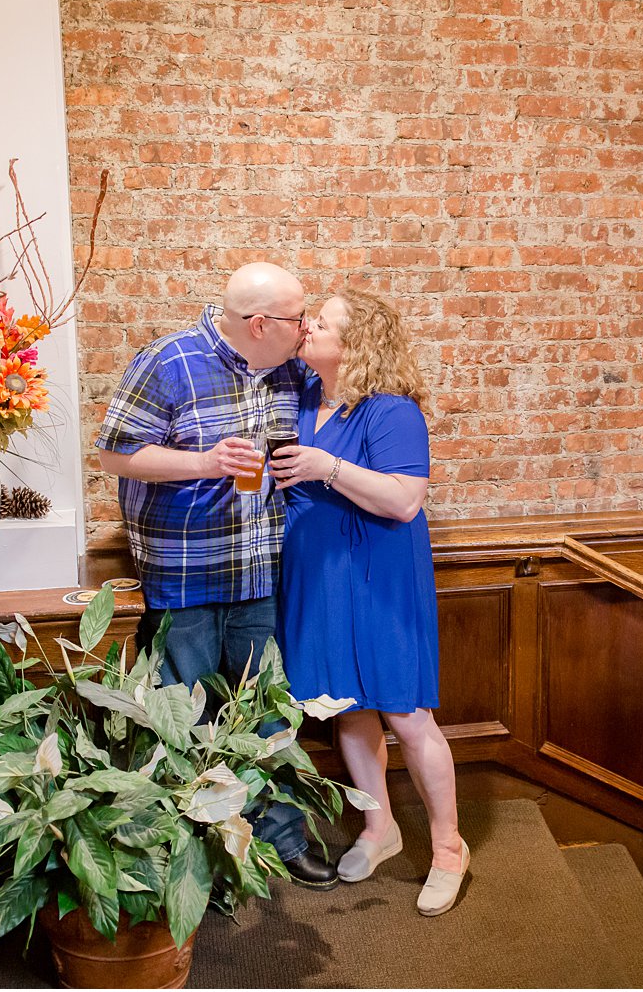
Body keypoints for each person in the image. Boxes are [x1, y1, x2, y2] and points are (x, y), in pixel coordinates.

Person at [93, 261, 339, 890]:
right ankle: (193, 854)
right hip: (184, 573)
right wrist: (203, 461)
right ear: (260, 324)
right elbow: (115, 452)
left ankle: (283, 839)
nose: (306, 326)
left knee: (269, 715)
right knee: (188, 716)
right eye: (296, 316)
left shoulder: (290, 371)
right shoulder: (169, 361)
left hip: (260, 569)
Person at [271, 288, 468, 917]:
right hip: (318, 574)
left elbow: (404, 501)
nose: (307, 329)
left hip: (377, 576)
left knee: (407, 714)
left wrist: (327, 466)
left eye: (321, 323)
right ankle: (380, 829)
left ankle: (448, 848)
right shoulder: (305, 398)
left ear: (355, 345)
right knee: (345, 707)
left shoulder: (391, 411)